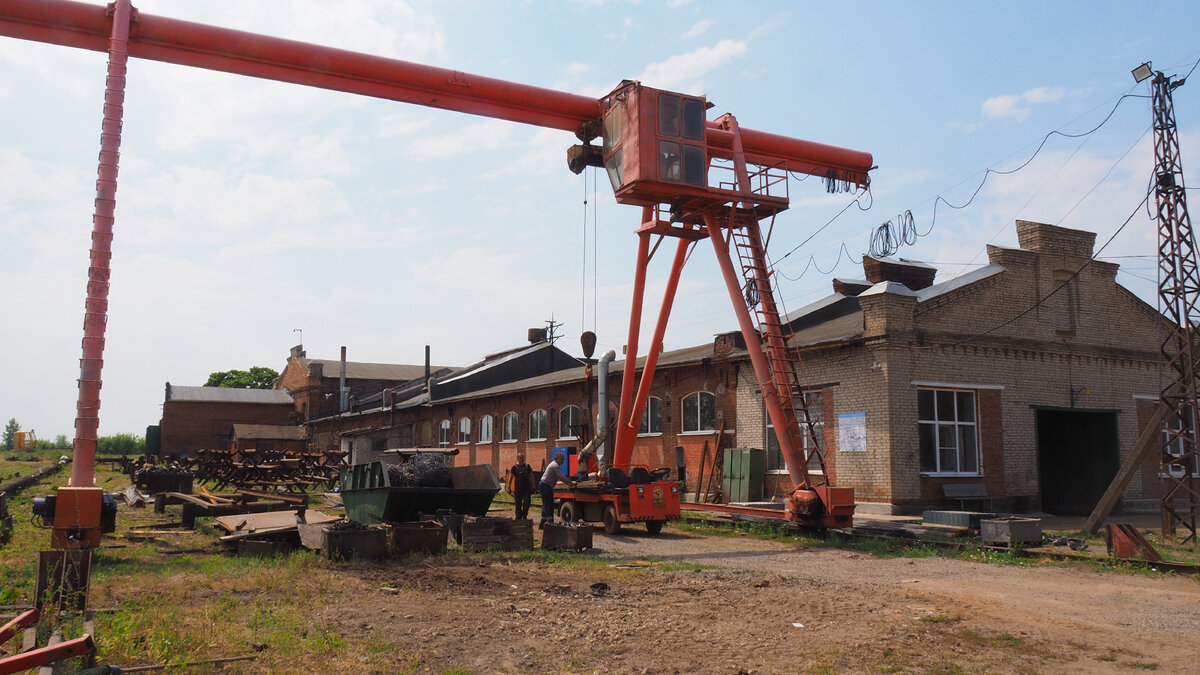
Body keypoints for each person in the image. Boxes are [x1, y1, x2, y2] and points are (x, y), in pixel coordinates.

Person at [538, 451, 574, 528]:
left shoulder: (554, 465)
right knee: (549, 504)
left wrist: (568, 481)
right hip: (545, 485)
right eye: (562, 459)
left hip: (546, 485)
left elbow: (561, 477)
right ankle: (550, 523)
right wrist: (570, 483)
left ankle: (542, 523)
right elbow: (561, 477)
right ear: (557, 458)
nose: (563, 461)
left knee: (546, 504)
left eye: (563, 459)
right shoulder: (555, 465)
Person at [510, 451, 534, 520]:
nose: (522, 459)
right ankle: (518, 516)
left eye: (523, 458)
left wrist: (533, 484)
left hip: (527, 488)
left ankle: (525, 515)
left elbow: (531, 475)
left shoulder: (527, 466)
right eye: (521, 458)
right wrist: (508, 487)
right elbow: (511, 477)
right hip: (518, 489)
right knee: (518, 504)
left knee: (527, 502)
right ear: (517, 458)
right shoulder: (514, 467)